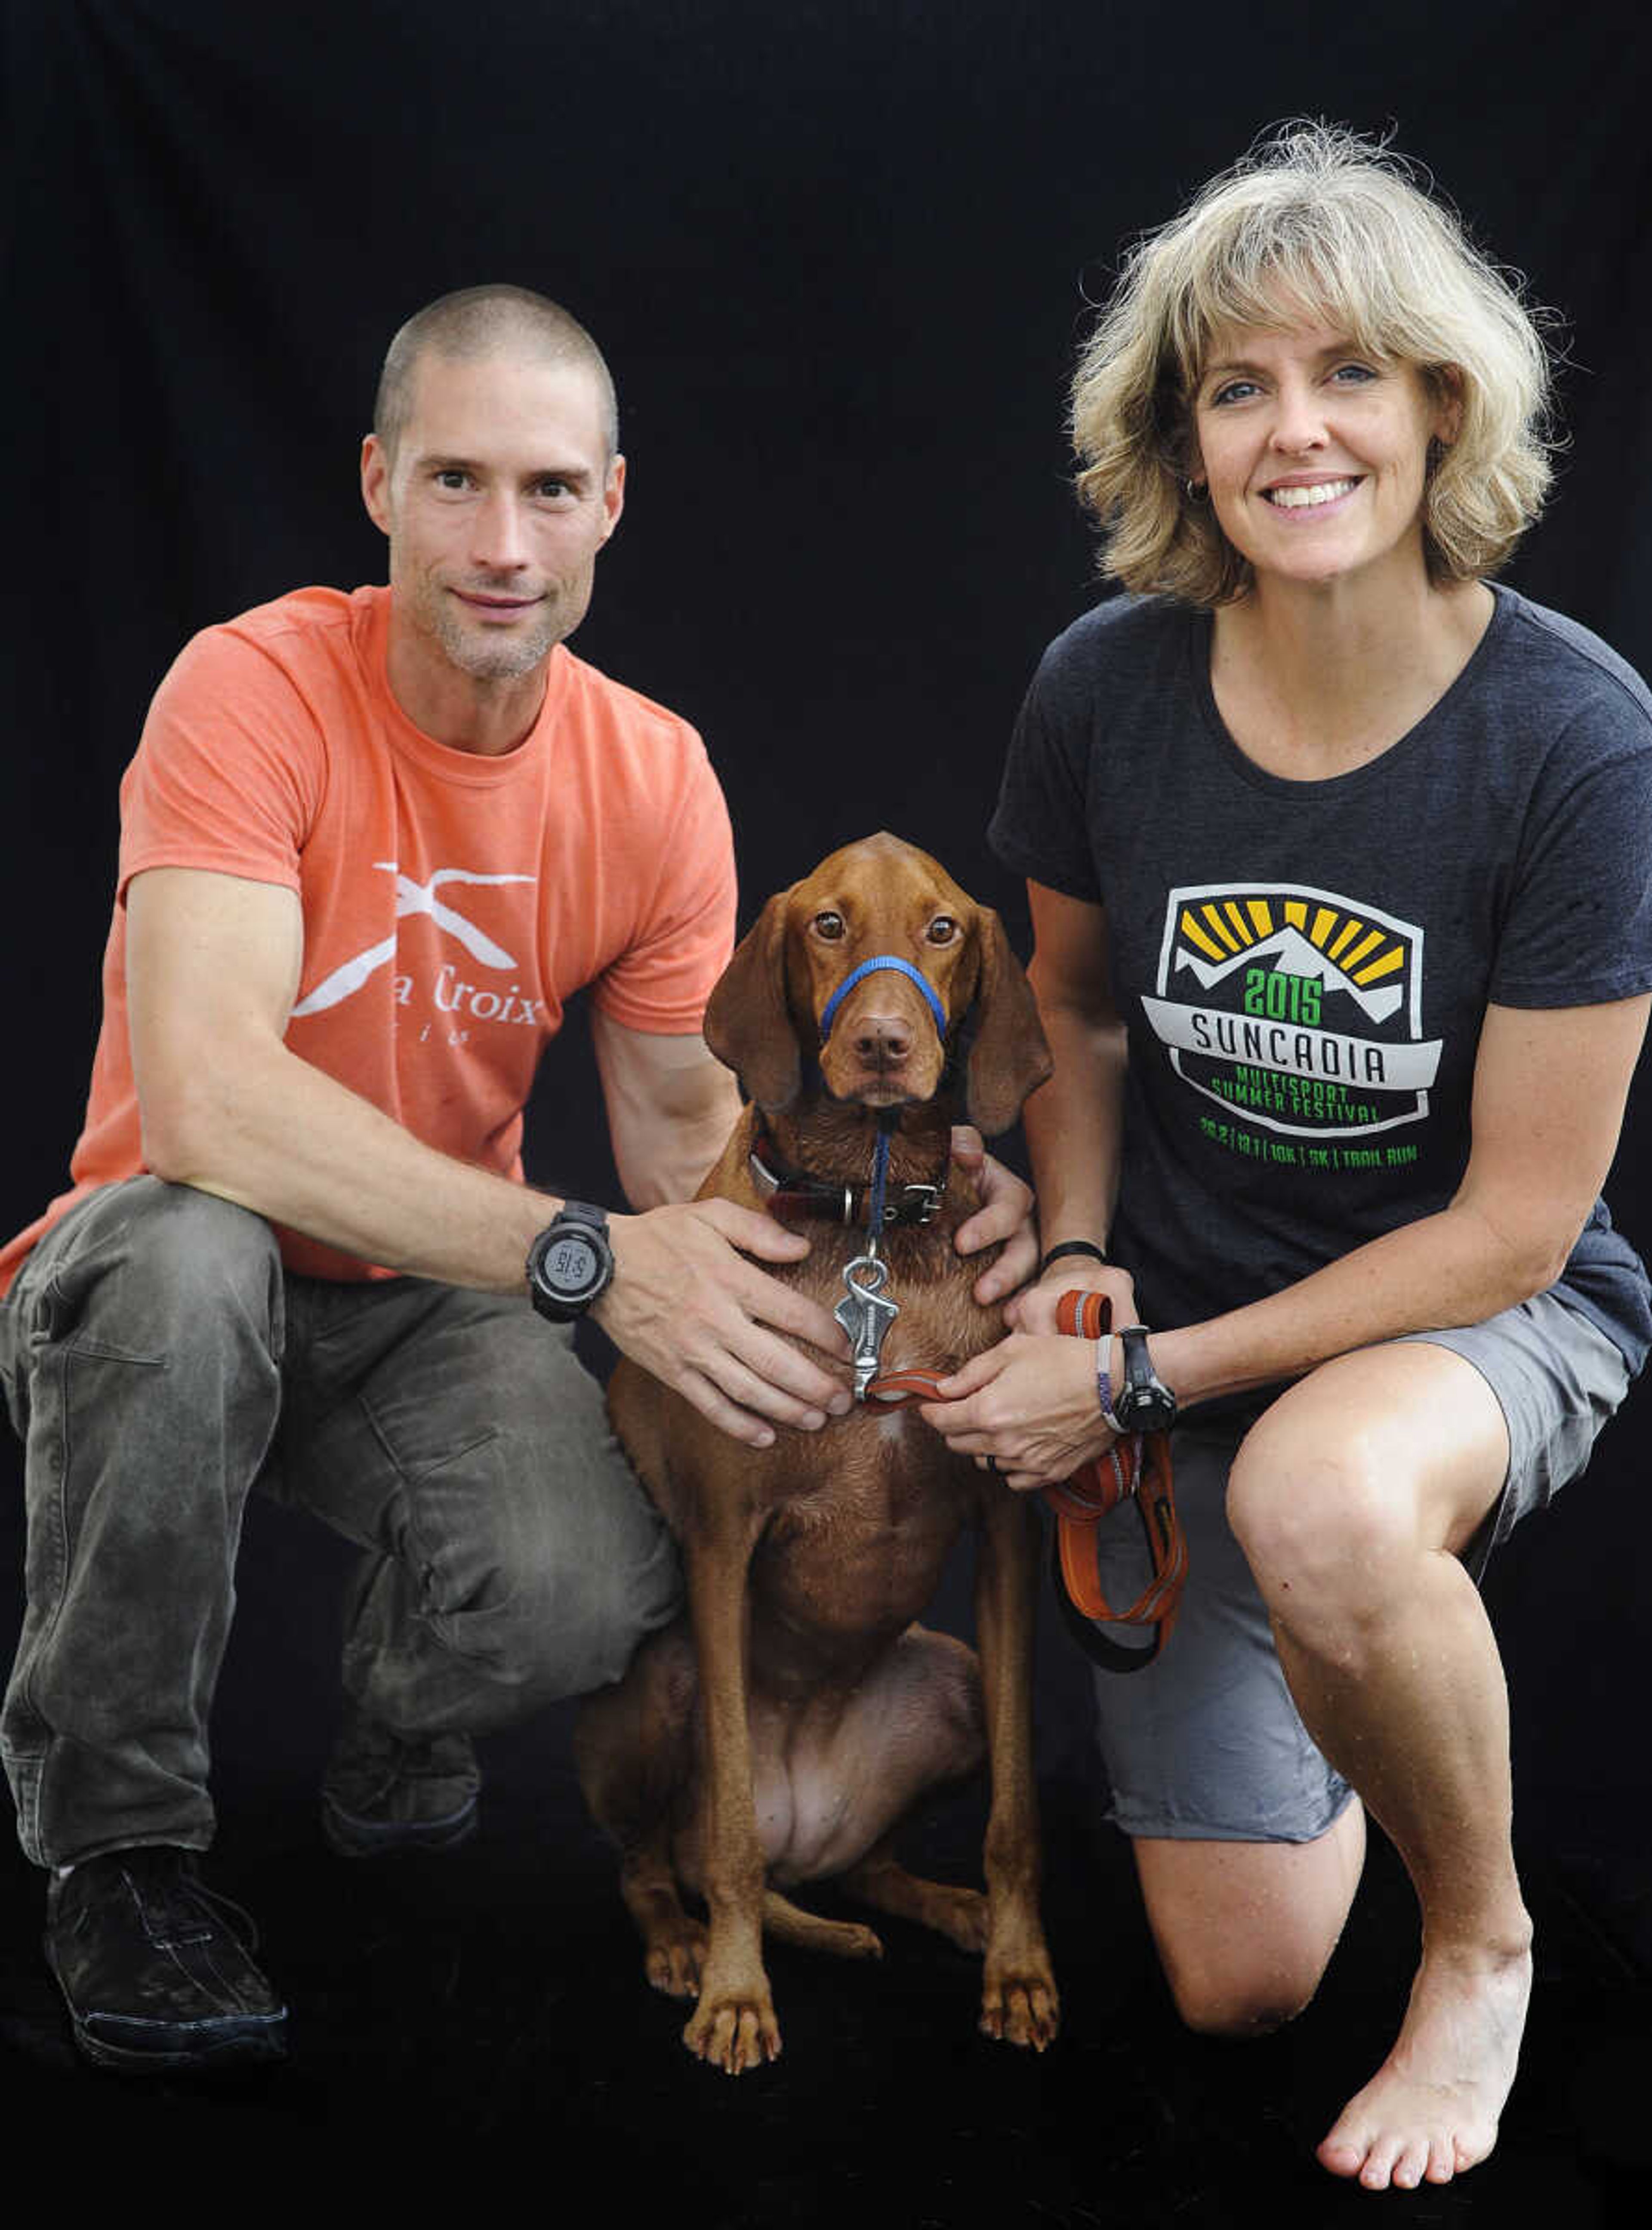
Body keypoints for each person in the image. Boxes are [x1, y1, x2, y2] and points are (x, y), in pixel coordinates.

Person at [0, 283, 1033, 2076]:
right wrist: (583, 1260)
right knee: (185, 1271)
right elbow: (208, 1108)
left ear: (611, 505)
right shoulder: (247, 693)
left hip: (427, 1298)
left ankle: (399, 1728)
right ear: (381, 482)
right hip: (175, 1257)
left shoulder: (650, 778)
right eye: (457, 482)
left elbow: (677, 1154)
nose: (501, 542)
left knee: (593, 1583)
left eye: (548, 491)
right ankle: (121, 1852)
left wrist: (927, 1204)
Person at [921, 126, 1652, 2191]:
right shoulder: (1110, 689)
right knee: (1237, 1987)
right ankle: (1352, 1669)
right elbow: (1066, 1014)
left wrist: (1141, 1381)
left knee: (1334, 1499)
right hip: (1180, 1330)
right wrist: (1077, 1256)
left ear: (1444, 402)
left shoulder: (1581, 742)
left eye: (1349, 373)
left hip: (1481, 1315)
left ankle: (1485, 1945)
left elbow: (1518, 1219)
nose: (1295, 429)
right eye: (1238, 387)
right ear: (1183, 437)